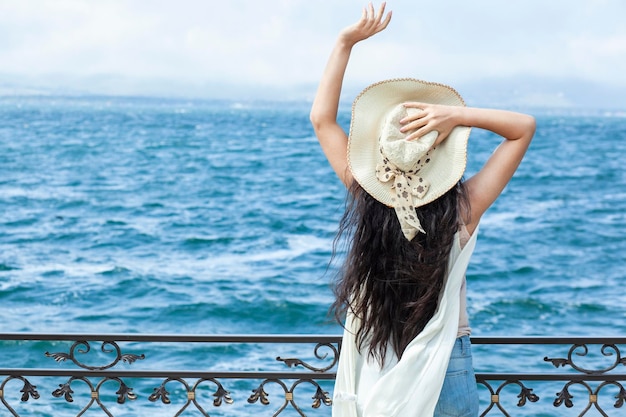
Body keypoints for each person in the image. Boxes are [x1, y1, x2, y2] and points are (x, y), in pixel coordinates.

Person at [309, 3, 536, 417]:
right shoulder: (463, 210)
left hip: (376, 356)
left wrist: (345, 42)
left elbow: (322, 119)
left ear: (377, 155)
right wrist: (458, 115)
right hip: (445, 361)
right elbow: (522, 129)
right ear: (441, 153)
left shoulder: (368, 197)